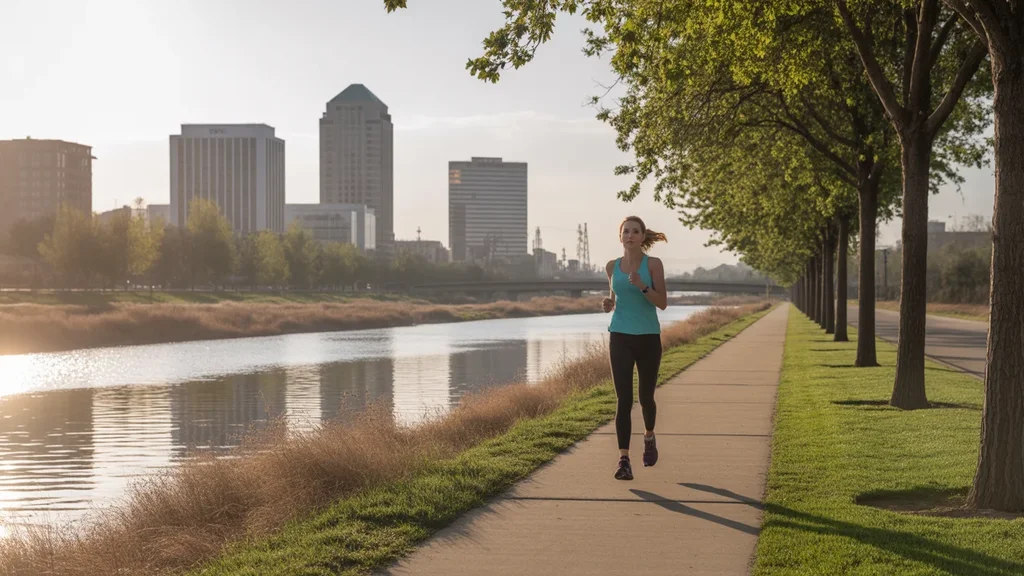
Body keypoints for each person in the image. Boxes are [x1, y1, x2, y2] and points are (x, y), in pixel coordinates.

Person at [602, 216, 668, 481]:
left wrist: (642, 286)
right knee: (623, 400)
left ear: (642, 237)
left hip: (648, 337)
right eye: (625, 231)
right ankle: (624, 460)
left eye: (635, 231)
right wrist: (609, 304)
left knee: (645, 398)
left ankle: (649, 436)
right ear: (620, 236)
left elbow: (662, 302)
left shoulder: (653, 264)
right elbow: (615, 299)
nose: (630, 235)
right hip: (619, 335)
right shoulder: (611, 266)